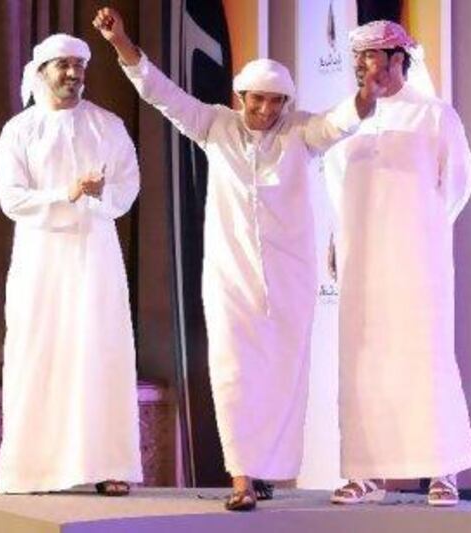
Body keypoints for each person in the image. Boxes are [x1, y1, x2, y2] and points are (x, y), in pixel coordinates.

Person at [92, 7, 384, 511]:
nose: (266, 111)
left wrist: (366, 95)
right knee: (232, 372)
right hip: (229, 276)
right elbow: (159, 92)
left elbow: (340, 122)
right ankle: (242, 478)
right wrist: (120, 41)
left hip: (289, 278)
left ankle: (268, 469)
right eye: (258, 101)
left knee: (280, 376)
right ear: (240, 98)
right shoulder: (215, 125)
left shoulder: (301, 132)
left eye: (276, 102)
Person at [325, 20, 471, 507]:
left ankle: (442, 469)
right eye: (360, 59)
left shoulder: (435, 116)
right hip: (361, 260)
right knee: (363, 362)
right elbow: (334, 187)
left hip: (417, 260)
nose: (366, 68)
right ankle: (365, 471)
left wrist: (420, 232)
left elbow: (455, 186)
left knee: (424, 357)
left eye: (375, 58)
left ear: (398, 60)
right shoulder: (345, 118)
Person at [0, 33, 142, 496]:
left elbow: (127, 187)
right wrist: (68, 194)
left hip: (94, 253)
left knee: (100, 351)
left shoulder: (108, 125)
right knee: (38, 351)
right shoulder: (19, 130)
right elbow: (12, 199)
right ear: (41, 72)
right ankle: (32, 470)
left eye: (80, 65)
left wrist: (100, 197)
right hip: (40, 258)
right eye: (64, 65)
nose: (74, 74)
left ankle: (108, 464)